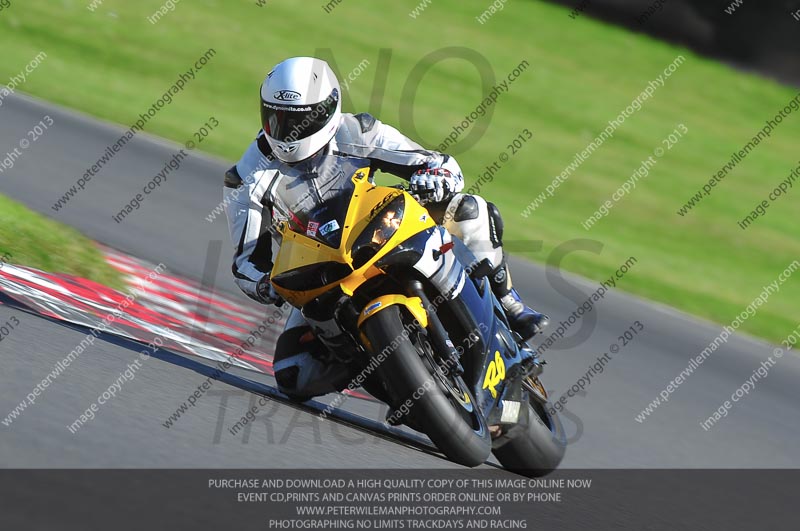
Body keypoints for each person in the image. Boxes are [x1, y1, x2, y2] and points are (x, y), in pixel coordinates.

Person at [224, 57, 548, 400]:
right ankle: (394, 381)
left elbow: (438, 163)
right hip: (321, 276)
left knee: (469, 211)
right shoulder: (246, 177)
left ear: (329, 108)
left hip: (377, 232)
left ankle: (511, 305)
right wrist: (267, 285)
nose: (288, 130)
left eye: (302, 119)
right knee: (294, 376)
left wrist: (435, 178)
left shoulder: (359, 131)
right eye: (277, 117)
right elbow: (246, 261)